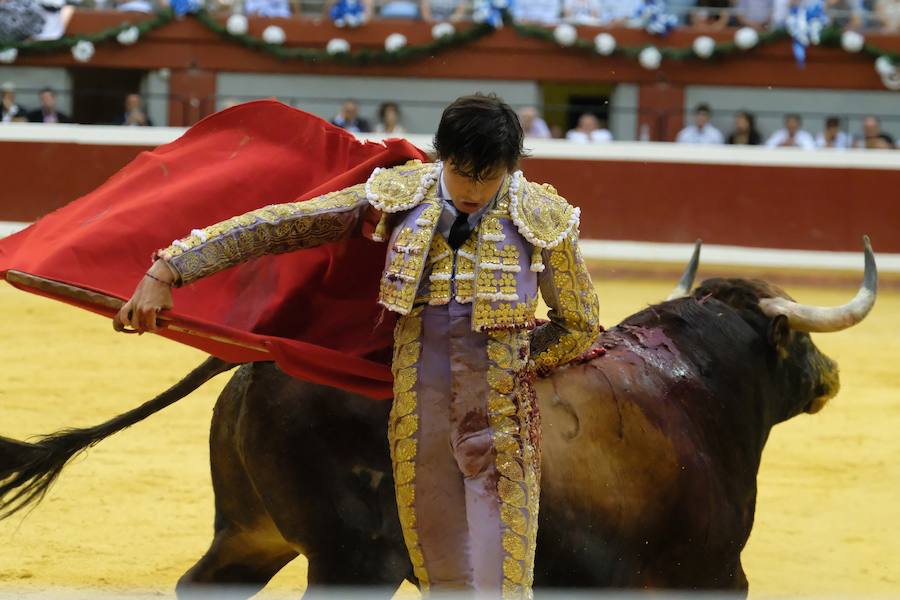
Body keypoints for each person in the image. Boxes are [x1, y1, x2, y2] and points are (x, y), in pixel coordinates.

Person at [113, 93, 600, 598]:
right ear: (441, 156)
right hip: (418, 422)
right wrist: (170, 267)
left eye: (489, 174)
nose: (474, 188)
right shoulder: (400, 195)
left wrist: (515, 364)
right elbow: (285, 224)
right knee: (446, 576)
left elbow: (580, 323)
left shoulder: (543, 217)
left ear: (510, 166)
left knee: (501, 580)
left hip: (501, 424)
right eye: (462, 170)